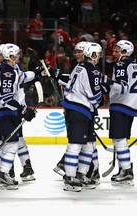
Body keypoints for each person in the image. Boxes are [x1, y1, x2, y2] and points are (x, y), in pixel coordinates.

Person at [0, 43, 36, 190]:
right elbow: (7, 98)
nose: (19, 57)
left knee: (3, 143)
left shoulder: (7, 69)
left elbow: (23, 76)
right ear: (12, 56)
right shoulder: (7, 72)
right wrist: (23, 110)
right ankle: (3, 175)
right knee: (12, 143)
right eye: (17, 55)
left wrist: (36, 72)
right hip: (4, 112)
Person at [52, 41, 101, 185]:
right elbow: (93, 96)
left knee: (87, 145)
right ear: (92, 54)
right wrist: (100, 99)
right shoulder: (91, 70)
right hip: (80, 109)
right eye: (98, 54)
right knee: (76, 144)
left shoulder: (79, 67)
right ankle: (71, 177)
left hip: (77, 109)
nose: (99, 57)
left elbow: (69, 85)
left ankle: (82, 174)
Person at [103, 40, 137, 186]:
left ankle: (127, 171)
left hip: (121, 104)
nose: (114, 52)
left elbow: (121, 88)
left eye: (117, 50)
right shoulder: (135, 64)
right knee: (122, 139)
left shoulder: (121, 64)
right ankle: (124, 169)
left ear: (124, 52)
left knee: (118, 138)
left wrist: (105, 80)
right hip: (132, 104)